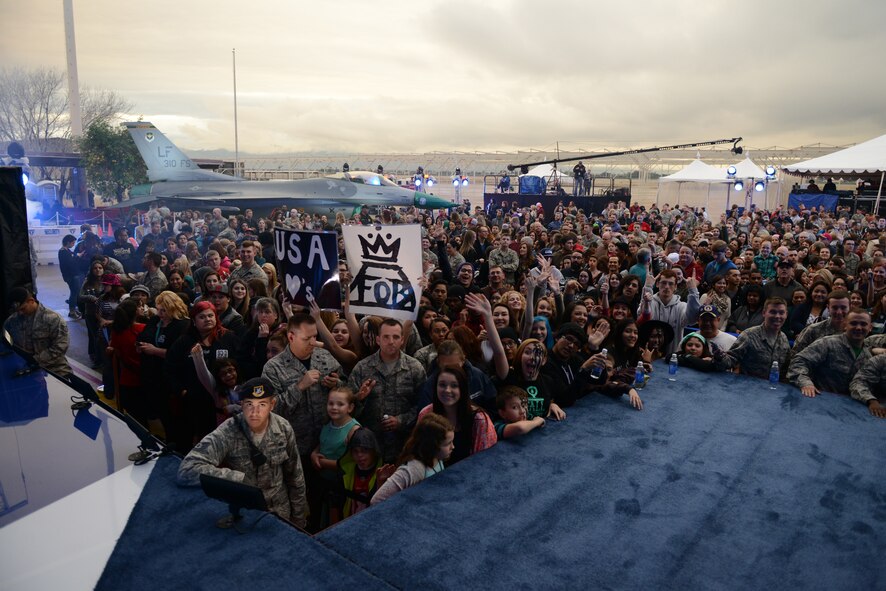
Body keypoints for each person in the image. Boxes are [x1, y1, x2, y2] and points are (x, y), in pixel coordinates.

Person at [176, 377, 307, 528]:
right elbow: (186, 470)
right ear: (241, 404)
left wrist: (298, 521)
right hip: (246, 514)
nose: (255, 412)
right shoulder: (229, 431)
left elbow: (295, 477)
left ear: (272, 404)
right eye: (249, 404)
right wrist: (235, 478)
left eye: (262, 404)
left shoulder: (283, 428)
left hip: (280, 513)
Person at [261, 313, 345, 530]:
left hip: (328, 445)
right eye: (307, 338)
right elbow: (271, 409)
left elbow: (345, 389)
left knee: (328, 502)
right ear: (291, 337)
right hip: (295, 449)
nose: (312, 343)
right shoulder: (273, 368)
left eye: (314, 337)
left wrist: (336, 384)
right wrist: (299, 387)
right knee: (298, 503)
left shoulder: (324, 357)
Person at [347, 319, 427, 463]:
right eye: (386, 337)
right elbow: (348, 410)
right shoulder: (362, 368)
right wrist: (360, 398)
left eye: (396, 337)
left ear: (402, 340)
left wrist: (401, 420)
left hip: (405, 446)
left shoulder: (415, 368)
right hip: (371, 449)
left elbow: (424, 407)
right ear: (378, 339)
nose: (391, 341)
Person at [165, 301, 241, 452]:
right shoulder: (184, 342)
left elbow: (240, 365)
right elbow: (170, 368)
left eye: (210, 315)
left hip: (223, 402)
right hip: (194, 402)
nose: (207, 319)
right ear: (193, 321)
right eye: (202, 317)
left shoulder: (228, 337)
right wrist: (181, 391)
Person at [417, 366, 497, 464]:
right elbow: (419, 453)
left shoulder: (480, 420)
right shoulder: (426, 413)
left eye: (454, 385)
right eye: (442, 385)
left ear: (462, 389)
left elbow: (483, 462)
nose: (447, 390)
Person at [370, 414, 455, 505]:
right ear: (431, 446)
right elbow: (376, 501)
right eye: (447, 444)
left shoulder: (437, 457)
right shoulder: (414, 469)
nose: (453, 447)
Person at [787, 309, 874, 397]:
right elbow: (798, 362)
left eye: (863, 324)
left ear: (870, 327)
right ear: (845, 325)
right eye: (853, 323)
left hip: (848, 406)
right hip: (818, 398)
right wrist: (806, 383)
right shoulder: (827, 343)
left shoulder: (868, 357)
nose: (858, 328)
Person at [310, 386, 361, 525]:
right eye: (331, 403)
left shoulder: (353, 430)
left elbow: (351, 464)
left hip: (339, 486)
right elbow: (322, 444)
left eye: (340, 404)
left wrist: (324, 463)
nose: (334, 407)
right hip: (323, 482)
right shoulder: (328, 424)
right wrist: (314, 454)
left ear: (350, 407)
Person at [4, 287, 71, 377]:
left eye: (23, 309)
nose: (20, 313)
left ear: (31, 301)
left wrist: (34, 361)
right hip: (23, 368)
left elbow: (60, 347)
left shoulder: (53, 319)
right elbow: (7, 344)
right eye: (17, 310)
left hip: (53, 369)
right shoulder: (11, 322)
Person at [638, 269, 701, 356]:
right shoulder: (650, 301)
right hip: (648, 356)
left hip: (673, 356)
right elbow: (642, 316)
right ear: (657, 284)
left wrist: (693, 290)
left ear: (675, 287)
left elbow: (692, 320)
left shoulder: (681, 306)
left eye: (671, 284)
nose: (667, 286)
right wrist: (648, 287)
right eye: (663, 283)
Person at [725, 298, 791, 380]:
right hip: (747, 388)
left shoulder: (784, 339)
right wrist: (719, 358)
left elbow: (786, 370)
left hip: (774, 389)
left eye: (781, 313)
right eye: (773, 312)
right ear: (764, 313)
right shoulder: (749, 335)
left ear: (786, 315)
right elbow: (731, 359)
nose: (777, 316)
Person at [336, 428, 395, 519]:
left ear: (374, 451)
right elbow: (336, 503)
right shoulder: (345, 472)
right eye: (355, 451)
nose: (359, 455)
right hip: (348, 520)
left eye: (365, 450)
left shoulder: (383, 472)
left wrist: (380, 482)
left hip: (372, 521)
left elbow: (385, 505)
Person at [107, 299, 147, 425]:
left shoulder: (117, 331)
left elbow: (116, 351)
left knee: (135, 420)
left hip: (126, 380)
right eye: (140, 307)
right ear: (135, 312)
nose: (143, 309)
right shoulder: (143, 329)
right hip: (143, 380)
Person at [790, 290, 851, 357]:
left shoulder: (857, 331)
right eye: (835, 308)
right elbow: (795, 356)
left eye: (843, 308)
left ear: (850, 307)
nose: (839, 312)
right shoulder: (813, 330)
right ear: (828, 308)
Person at [58, 234, 82, 319]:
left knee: (74, 293)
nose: (73, 245)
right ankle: (72, 311)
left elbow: (73, 255)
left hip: (72, 275)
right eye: (72, 243)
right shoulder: (63, 252)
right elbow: (70, 262)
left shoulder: (67, 250)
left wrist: (76, 255)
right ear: (68, 242)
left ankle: (74, 309)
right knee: (74, 293)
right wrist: (76, 256)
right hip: (71, 276)